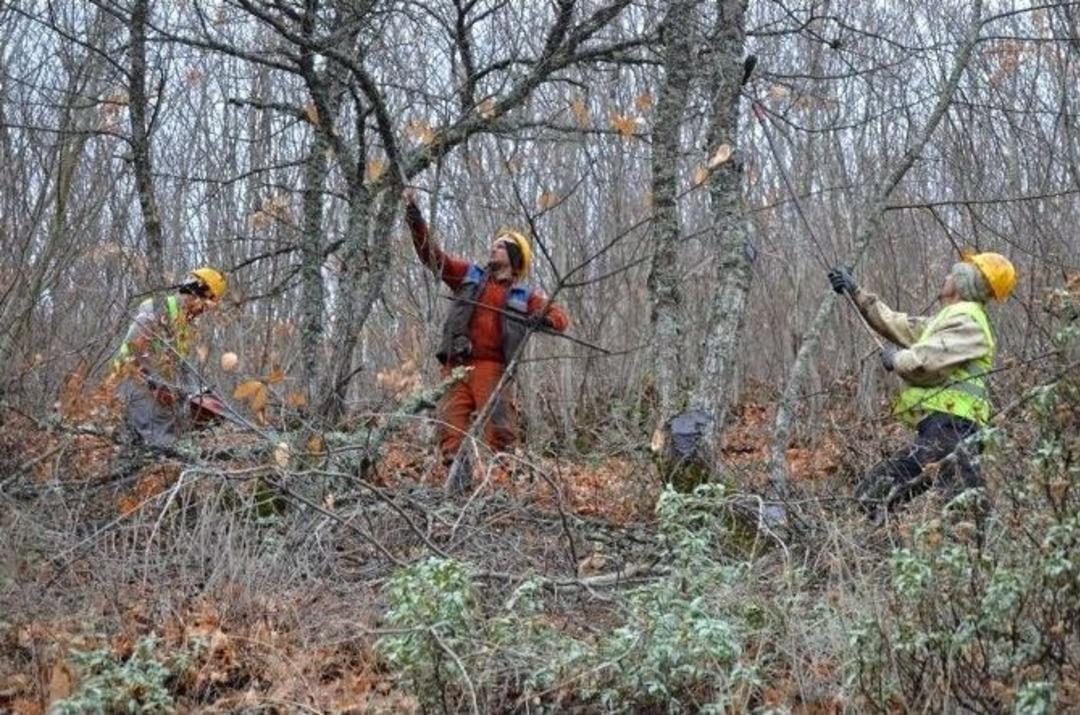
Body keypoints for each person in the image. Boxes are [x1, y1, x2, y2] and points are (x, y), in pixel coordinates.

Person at [828, 252, 1016, 517]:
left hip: (955, 427)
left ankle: (853, 529)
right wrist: (855, 291)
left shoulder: (968, 320)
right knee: (965, 509)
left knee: (879, 490)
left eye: (953, 273)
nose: (947, 277)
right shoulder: (949, 320)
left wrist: (896, 359)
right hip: (947, 427)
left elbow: (923, 363)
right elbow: (897, 324)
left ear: (964, 282)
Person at [403, 190, 569, 483]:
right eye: (493, 246)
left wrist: (541, 319)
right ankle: (458, 490)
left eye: (501, 247)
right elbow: (433, 257)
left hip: (493, 369)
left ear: (515, 257)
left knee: (500, 432)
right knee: (449, 429)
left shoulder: (524, 296)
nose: (493, 249)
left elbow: (560, 318)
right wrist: (416, 220)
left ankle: (503, 489)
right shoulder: (468, 275)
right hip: (456, 365)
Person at [113, 267, 227, 447]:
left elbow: (179, 365)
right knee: (160, 439)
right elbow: (132, 352)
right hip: (135, 381)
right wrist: (155, 385)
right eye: (205, 304)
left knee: (153, 437)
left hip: (156, 387)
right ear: (197, 292)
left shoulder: (185, 325)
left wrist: (201, 392)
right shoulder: (157, 311)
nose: (203, 311)